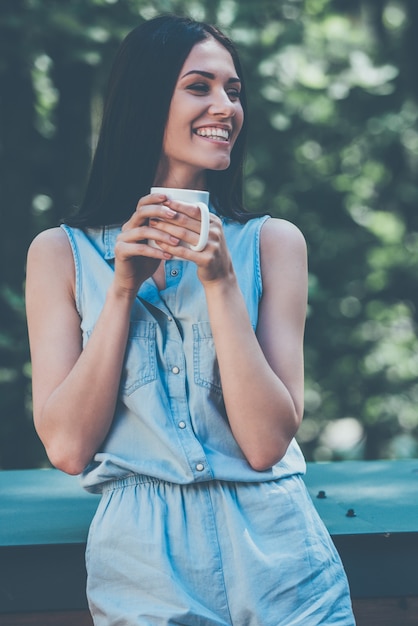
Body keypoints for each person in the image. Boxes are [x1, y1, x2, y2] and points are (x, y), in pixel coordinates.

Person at [25, 14, 356, 626]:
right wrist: (121, 291)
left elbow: (264, 445)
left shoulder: (272, 244)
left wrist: (221, 282)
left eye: (234, 91)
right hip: (144, 567)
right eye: (199, 86)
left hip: (282, 558)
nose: (226, 106)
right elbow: (68, 448)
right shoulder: (59, 255)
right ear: (145, 101)